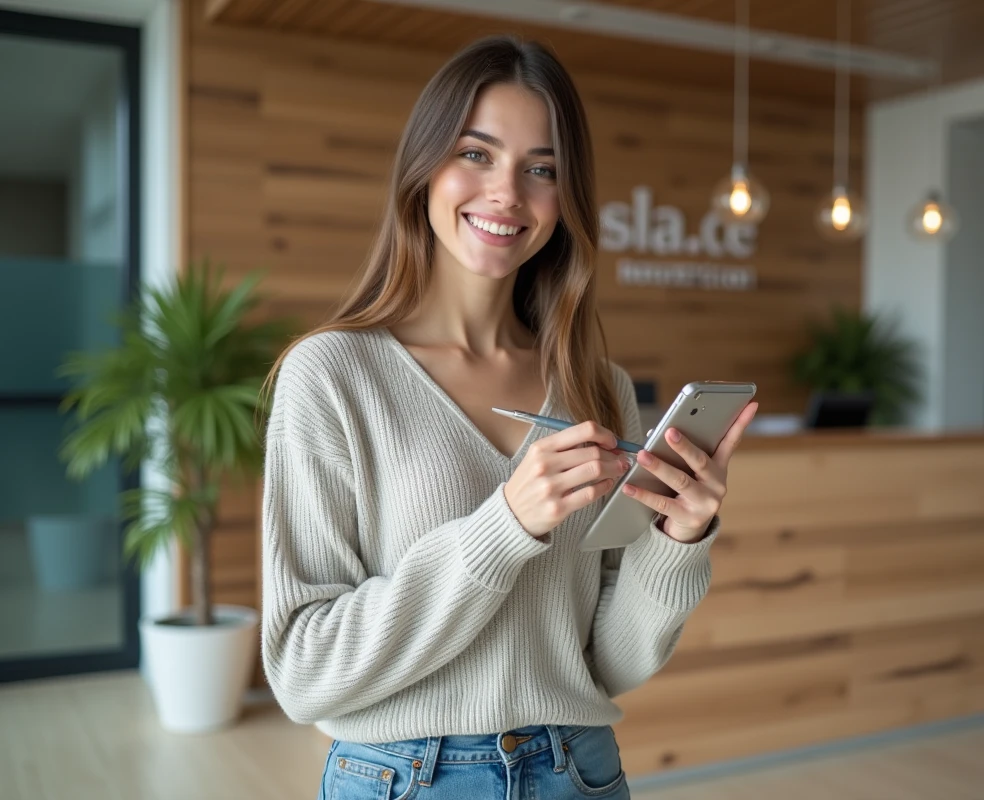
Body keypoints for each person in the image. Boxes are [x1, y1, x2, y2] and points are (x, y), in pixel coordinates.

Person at [260, 34, 758, 800]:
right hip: (400, 779)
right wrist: (504, 527)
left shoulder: (597, 387)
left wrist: (677, 541)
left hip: (579, 771)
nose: (507, 193)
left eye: (541, 170)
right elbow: (302, 671)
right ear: (424, 168)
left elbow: (607, 664)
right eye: (476, 154)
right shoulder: (331, 376)